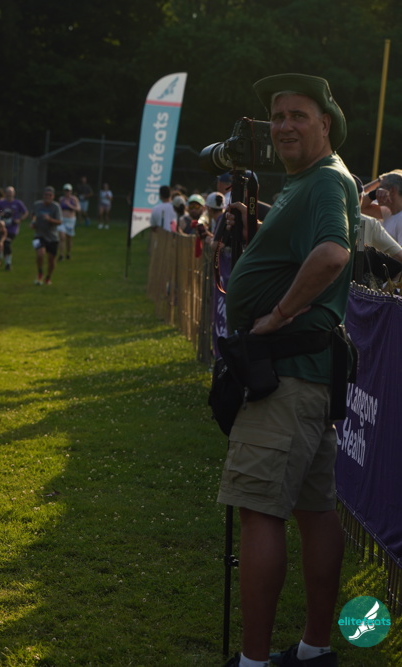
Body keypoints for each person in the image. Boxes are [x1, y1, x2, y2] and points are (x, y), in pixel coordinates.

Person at [217, 74, 357, 667]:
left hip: (286, 377)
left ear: (326, 123)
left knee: (259, 511)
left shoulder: (324, 181)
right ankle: (314, 648)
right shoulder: (311, 181)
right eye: (277, 116)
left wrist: (274, 317)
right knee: (314, 510)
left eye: (298, 115)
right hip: (304, 375)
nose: (283, 126)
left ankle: (252, 661)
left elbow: (332, 253)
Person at [31, 186, 61, 285]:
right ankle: (40, 273)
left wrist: (50, 219)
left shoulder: (55, 207)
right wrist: (33, 223)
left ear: (53, 196)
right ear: (43, 195)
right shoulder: (37, 205)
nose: (47, 197)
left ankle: (48, 277)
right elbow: (34, 215)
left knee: (51, 259)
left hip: (52, 237)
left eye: (50, 195)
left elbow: (59, 221)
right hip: (39, 234)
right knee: (40, 253)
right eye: (46, 195)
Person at [0, 186, 28, 271]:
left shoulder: (17, 203)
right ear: (5, 193)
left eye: (10, 192)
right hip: (2, 227)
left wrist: (19, 219)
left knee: (7, 243)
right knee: (0, 243)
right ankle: (0, 258)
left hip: (12, 228)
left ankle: (8, 263)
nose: (9, 194)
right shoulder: (1, 203)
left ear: (14, 193)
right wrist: (1, 214)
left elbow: (25, 212)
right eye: (7, 192)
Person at [373, 170, 402, 243]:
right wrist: (372, 194)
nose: (377, 193)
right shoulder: (387, 212)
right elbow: (360, 207)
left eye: (381, 188)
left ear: (392, 191)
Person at [58, 183, 80, 260]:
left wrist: (69, 205)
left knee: (69, 238)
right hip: (62, 220)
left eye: (68, 190)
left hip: (71, 220)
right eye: (66, 190)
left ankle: (68, 253)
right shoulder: (61, 199)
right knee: (62, 237)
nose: (67, 192)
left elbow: (78, 209)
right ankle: (61, 254)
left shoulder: (74, 199)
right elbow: (59, 209)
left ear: (71, 191)